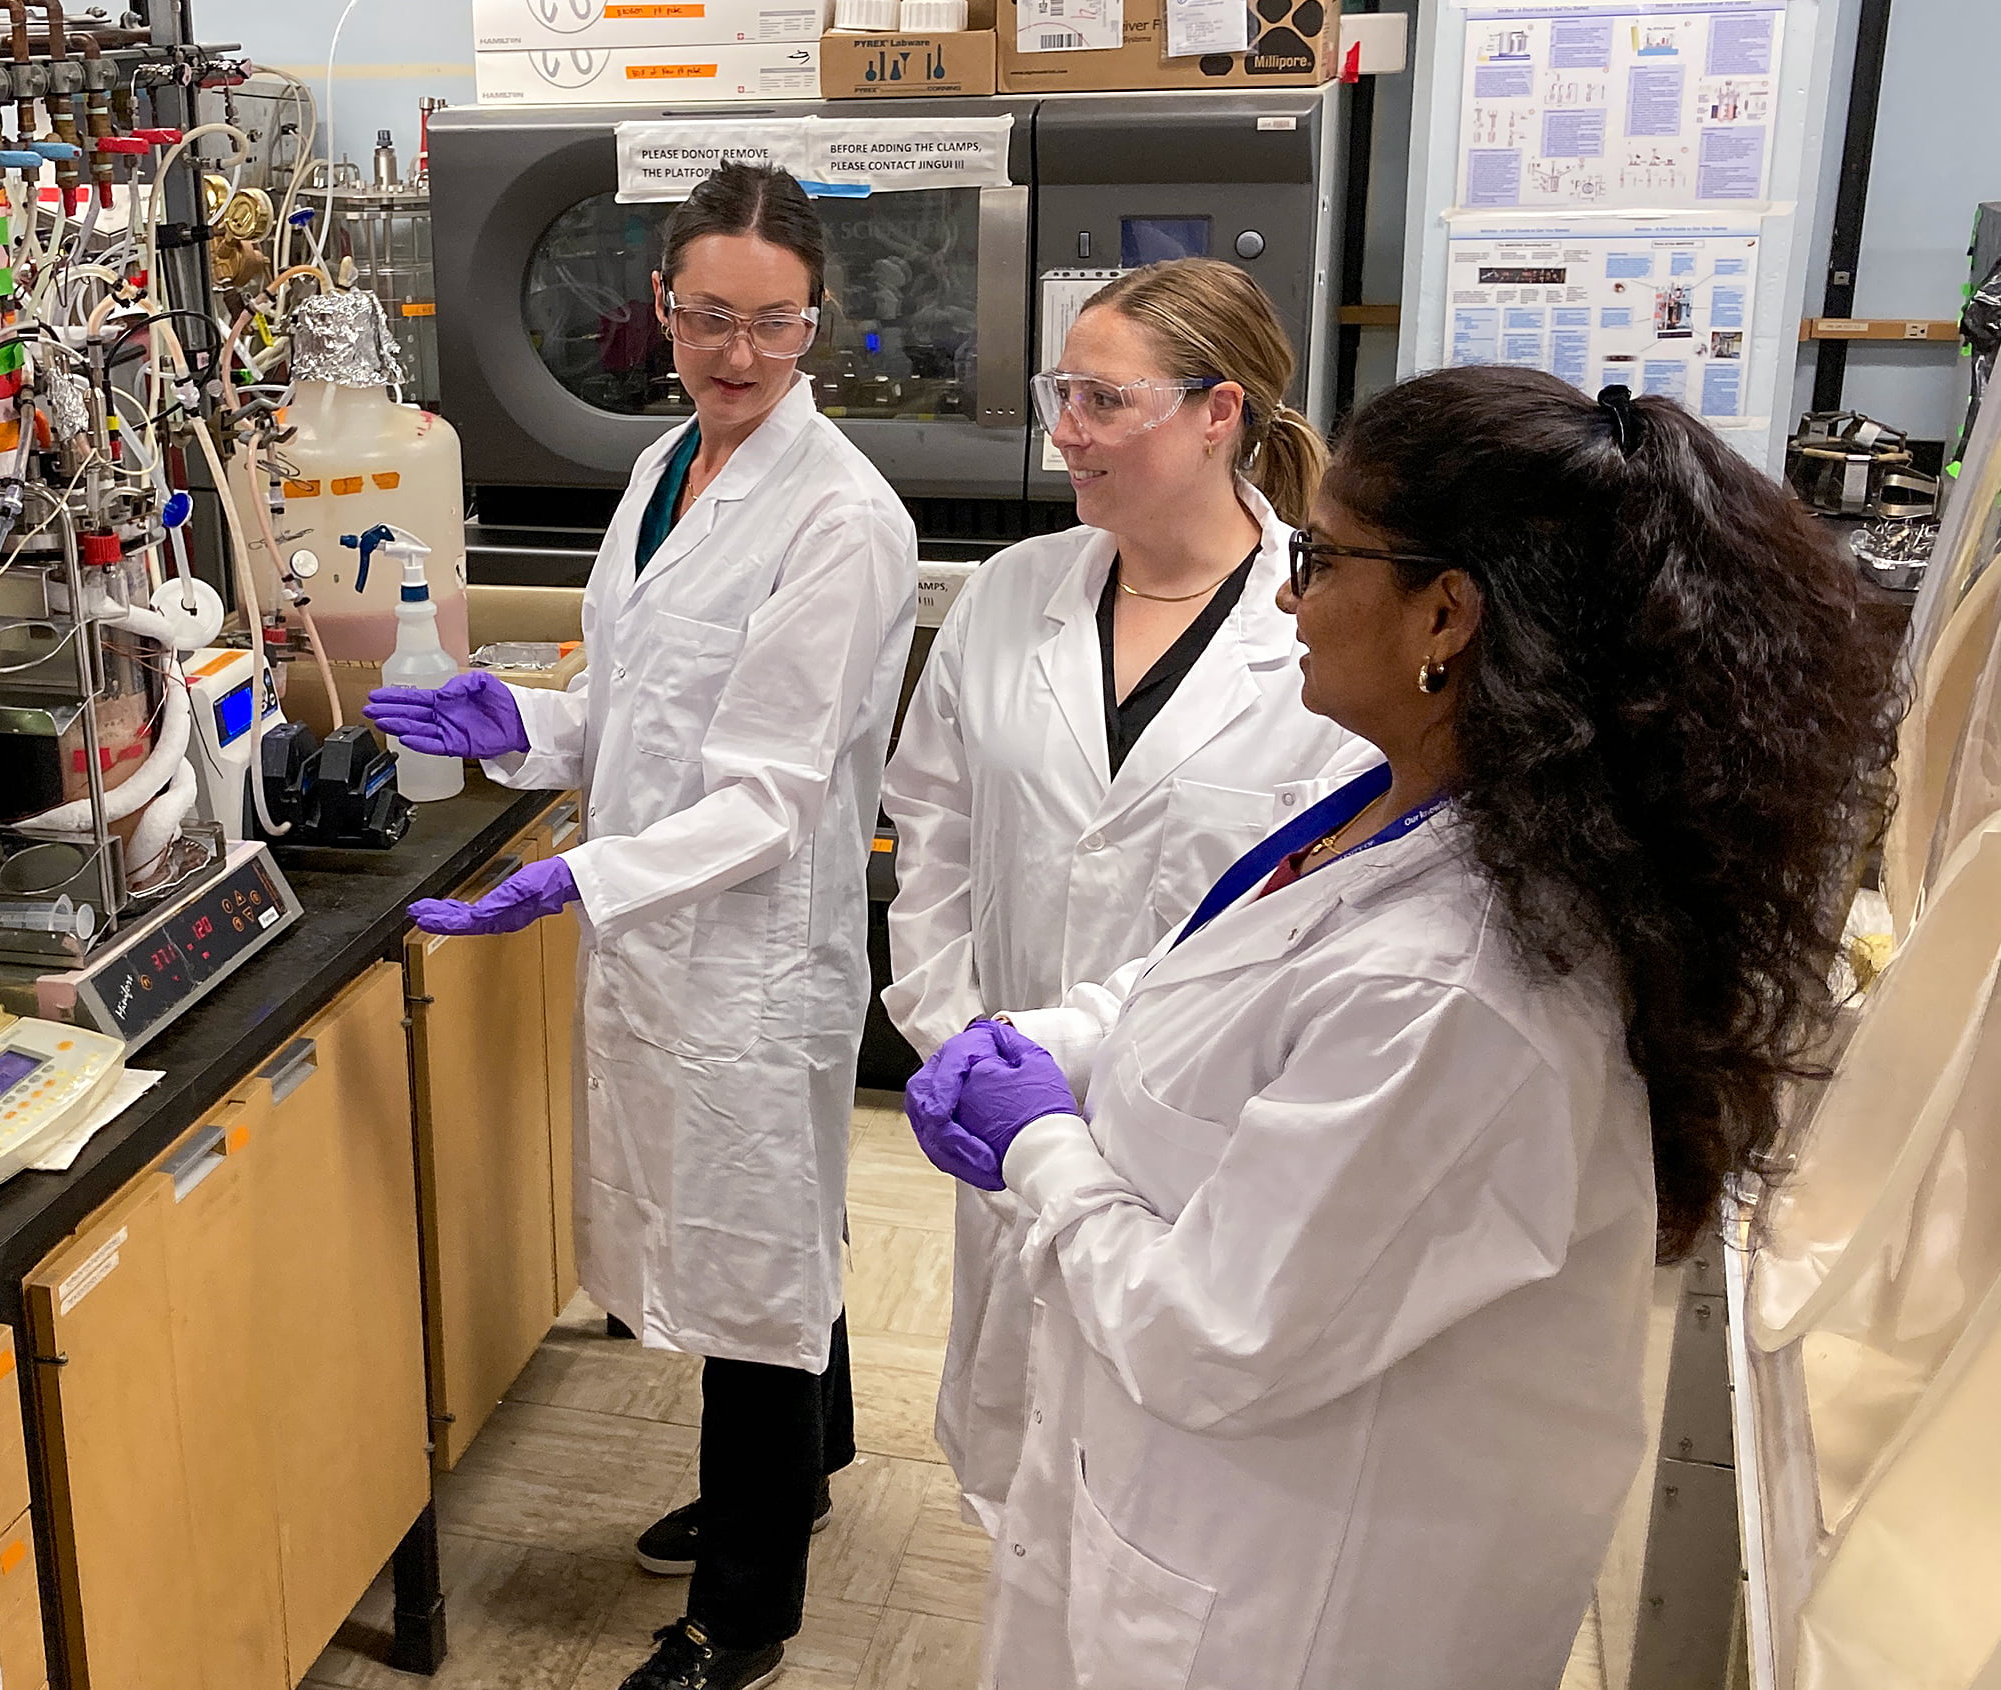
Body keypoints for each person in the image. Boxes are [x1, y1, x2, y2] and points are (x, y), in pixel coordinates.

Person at [907, 365, 1899, 1689]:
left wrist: (1040, 1144)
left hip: (1295, 1596)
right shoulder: (1412, 808)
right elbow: (1224, 975)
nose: (1285, 593)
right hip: (1187, 1507)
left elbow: (1216, 1332)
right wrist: (1063, 1041)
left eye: (1320, 556)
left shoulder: (1461, 985)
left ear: (1448, 610)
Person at [365, 161, 918, 1690]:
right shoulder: (665, 467)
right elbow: (637, 705)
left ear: (820, 321)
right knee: (774, 1222)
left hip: (749, 940)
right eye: (708, 318)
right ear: (660, 311)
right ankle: (810, 1460)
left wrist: (578, 878)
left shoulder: (839, 517)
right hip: (668, 927)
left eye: (774, 325)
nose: (738, 356)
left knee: (754, 1250)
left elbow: (771, 795)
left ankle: (745, 1615)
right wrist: (524, 722)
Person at [879, 259, 1367, 1532]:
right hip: (1003, 1108)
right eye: (1062, 392)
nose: (1064, 431)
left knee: (1167, 1503)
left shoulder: (1323, 632)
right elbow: (930, 825)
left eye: (1103, 399)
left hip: (1204, 1143)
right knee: (1022, 1474)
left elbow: (1320, 916)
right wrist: (957, 1035)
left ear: (1221, 413)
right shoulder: (1009, 595)